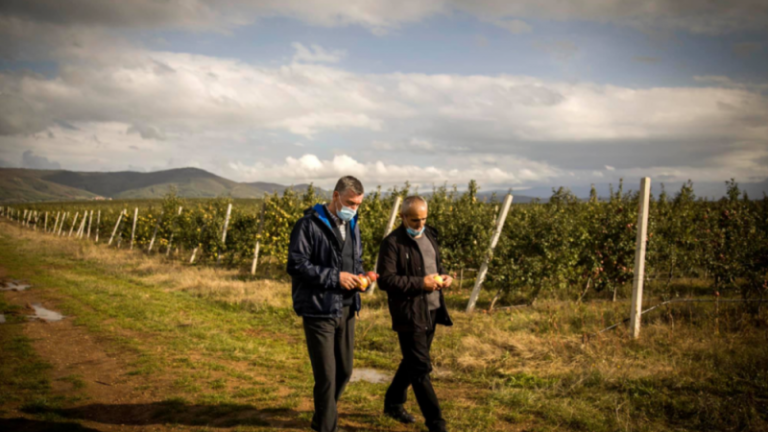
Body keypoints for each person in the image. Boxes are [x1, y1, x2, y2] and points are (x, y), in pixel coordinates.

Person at [286, 176, 369, 432]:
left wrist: (362, 278)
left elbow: (356, 260)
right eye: (350, 203)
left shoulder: (353, 224)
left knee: (344, 371)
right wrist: (336, 277)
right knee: (326, 376)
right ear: (335, 196)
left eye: (358, 204)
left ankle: (323, 415)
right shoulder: (308, 225)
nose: (353, 209)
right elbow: (297, 265)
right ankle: (326, 426)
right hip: (318, 308)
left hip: (347, 307)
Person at [376, 195, 454, 432]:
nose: (420, 225)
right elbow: (386, 280)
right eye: (414, 220)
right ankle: (436, 424)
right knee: (420, 369)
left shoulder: (430, 235)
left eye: (424, 219)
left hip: (432, 309)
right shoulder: (392, 243)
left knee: (412, 361)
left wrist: (445, 276)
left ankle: (393, 402)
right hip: (409, 313)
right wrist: (421, 283)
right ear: (403, 217)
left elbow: (434, 265)